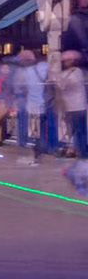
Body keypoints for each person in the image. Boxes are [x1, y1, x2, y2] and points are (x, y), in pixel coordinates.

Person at [57, 50, 88, 193]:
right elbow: (61, 88)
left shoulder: (77, 73)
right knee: (74, 131)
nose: (66, 63)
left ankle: (82, 154)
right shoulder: (64, 74)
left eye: (68, 60)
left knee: (80, 131)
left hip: (79, 106)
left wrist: (64, 82)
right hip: (69, 107)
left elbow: (72, 85)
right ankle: (77, 151)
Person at [12, 48, 50, 165]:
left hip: (32, 106)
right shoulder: (44, 67)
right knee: (43, 130)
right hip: (45, 104)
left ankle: (37, 155)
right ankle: (44, 150)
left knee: (36, 132)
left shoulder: (26, 72)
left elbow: (19, 87)